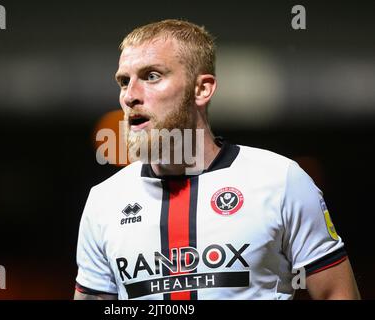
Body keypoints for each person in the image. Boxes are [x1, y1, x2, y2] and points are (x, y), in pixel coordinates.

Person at [74, 19, 360, 300]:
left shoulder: (281, 180)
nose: (130, 96)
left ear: (202, 89)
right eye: (124, 81)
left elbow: (336, 293)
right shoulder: (104, 201)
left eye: (151, 76)